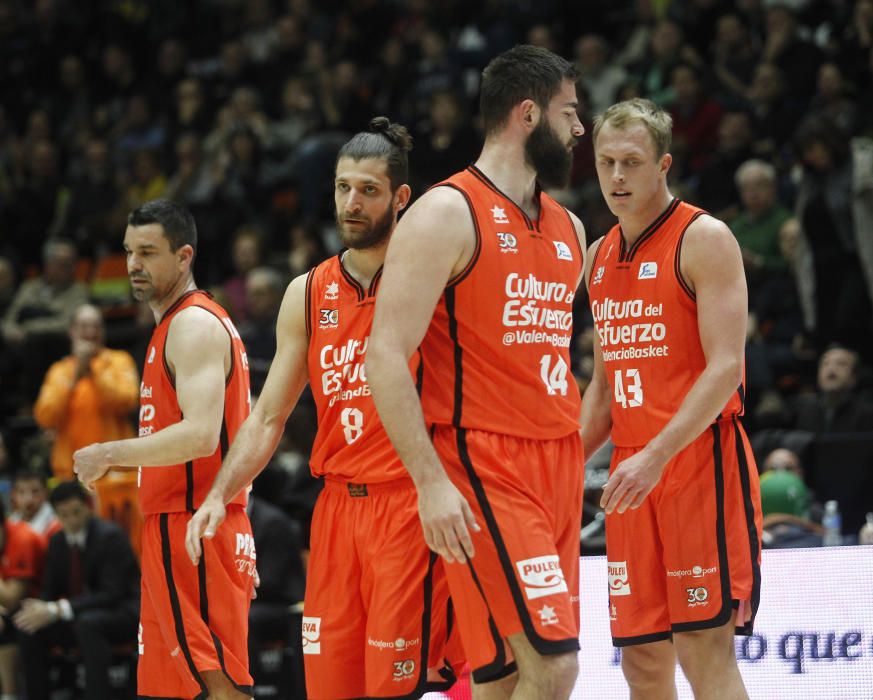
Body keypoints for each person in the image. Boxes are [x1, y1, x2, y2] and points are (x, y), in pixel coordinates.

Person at [186, 117, 461, 699]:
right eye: (342, 188)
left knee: (398, 688)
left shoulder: (435, 280)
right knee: (329, 687)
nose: (351, 203)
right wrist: (219, 493)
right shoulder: (306, 292)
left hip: (407, 504)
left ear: (401, 197)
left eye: (368, 189)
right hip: (336, 510)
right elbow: (267, 418)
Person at [366, 46, 587, 698]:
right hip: (483, 462)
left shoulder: (570, 228)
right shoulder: (445, 213)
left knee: (501, 676)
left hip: (559, 464)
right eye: (569, 113)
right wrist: (430, 483)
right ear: (527, 114)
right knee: (554, 666)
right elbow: (384, 355)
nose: (579, 130)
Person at [581, 98, 762, 700]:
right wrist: (558, 472)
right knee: (640, 661)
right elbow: (603, 390)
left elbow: (726, 368)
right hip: (634, 476)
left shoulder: (703, 237)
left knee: (702, 652)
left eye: (631, 162)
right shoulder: (599, 255)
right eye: (605, 162)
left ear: (663, 165)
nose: (616, 177)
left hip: (695, 463)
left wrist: (655, 455)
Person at [72, 199, 256, 700]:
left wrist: (108, 452)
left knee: (217, 686)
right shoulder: (171, 326)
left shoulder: (193, 325)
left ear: (184, 256)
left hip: (192, 527)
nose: (133, 264)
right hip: (180, 524)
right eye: (129, 251)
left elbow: (202, 435)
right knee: (168, 689)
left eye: (148, 252)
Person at [15, 480, 140, 700]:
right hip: (80, 614)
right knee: (28, 626)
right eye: (63, 515)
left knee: (88, 624)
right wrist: (39, 608)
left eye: (76, 512)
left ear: (88, 507)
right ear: (56, 515)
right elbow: (50, 590)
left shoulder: (110, 537)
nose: (71, 520)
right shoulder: (57, 542)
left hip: (124, 613)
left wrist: (58, 609)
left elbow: (113, 594)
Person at [33, 303, 139, 482]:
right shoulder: (59, 370)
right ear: (71, 331)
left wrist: (93, 371)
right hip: (69, 473)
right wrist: (75, 376)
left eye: (96, 326)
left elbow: (127, 402)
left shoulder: (120, 361)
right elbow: (45, 417)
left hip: (116, 473)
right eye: (84, 326)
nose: (91, 332)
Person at [0, 494, 46, 700]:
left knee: (7, 623)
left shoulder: (22, 538)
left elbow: (12, 599)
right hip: (9, 608)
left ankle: (10, 695)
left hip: (39, 604)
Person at [8, 469, 61, 538]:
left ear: (46, 492)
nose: (29, 499)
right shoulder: (10, 523)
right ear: (13, 495)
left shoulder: (57, 525)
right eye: (21, 492)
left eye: (35, 491)